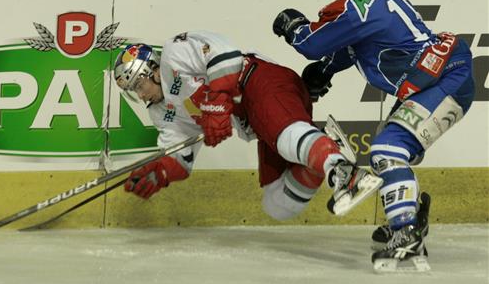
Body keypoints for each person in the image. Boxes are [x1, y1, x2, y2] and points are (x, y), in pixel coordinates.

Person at [272, 0, 475, 271]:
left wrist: (291, 26)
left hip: (444, 78)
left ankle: (405, 231)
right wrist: (326, 70)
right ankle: (408, 218)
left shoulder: (361, 6)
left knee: (386, 150)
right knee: (391, 149)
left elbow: (312, 43)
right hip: (442, 74)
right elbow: (351, 46)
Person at [113, 31, 384, 225]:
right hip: (257, 118)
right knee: (279, 204)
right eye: (133, 91)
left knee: (285, 138)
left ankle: (346, 174)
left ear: (153, 70)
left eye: (139, 85)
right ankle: (322, 148)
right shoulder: (164, 113)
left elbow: (224, 54)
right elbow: (180, 160)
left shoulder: (174, 53)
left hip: (259, 81)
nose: (141, 95)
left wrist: (218, 102)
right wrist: (159, 171)